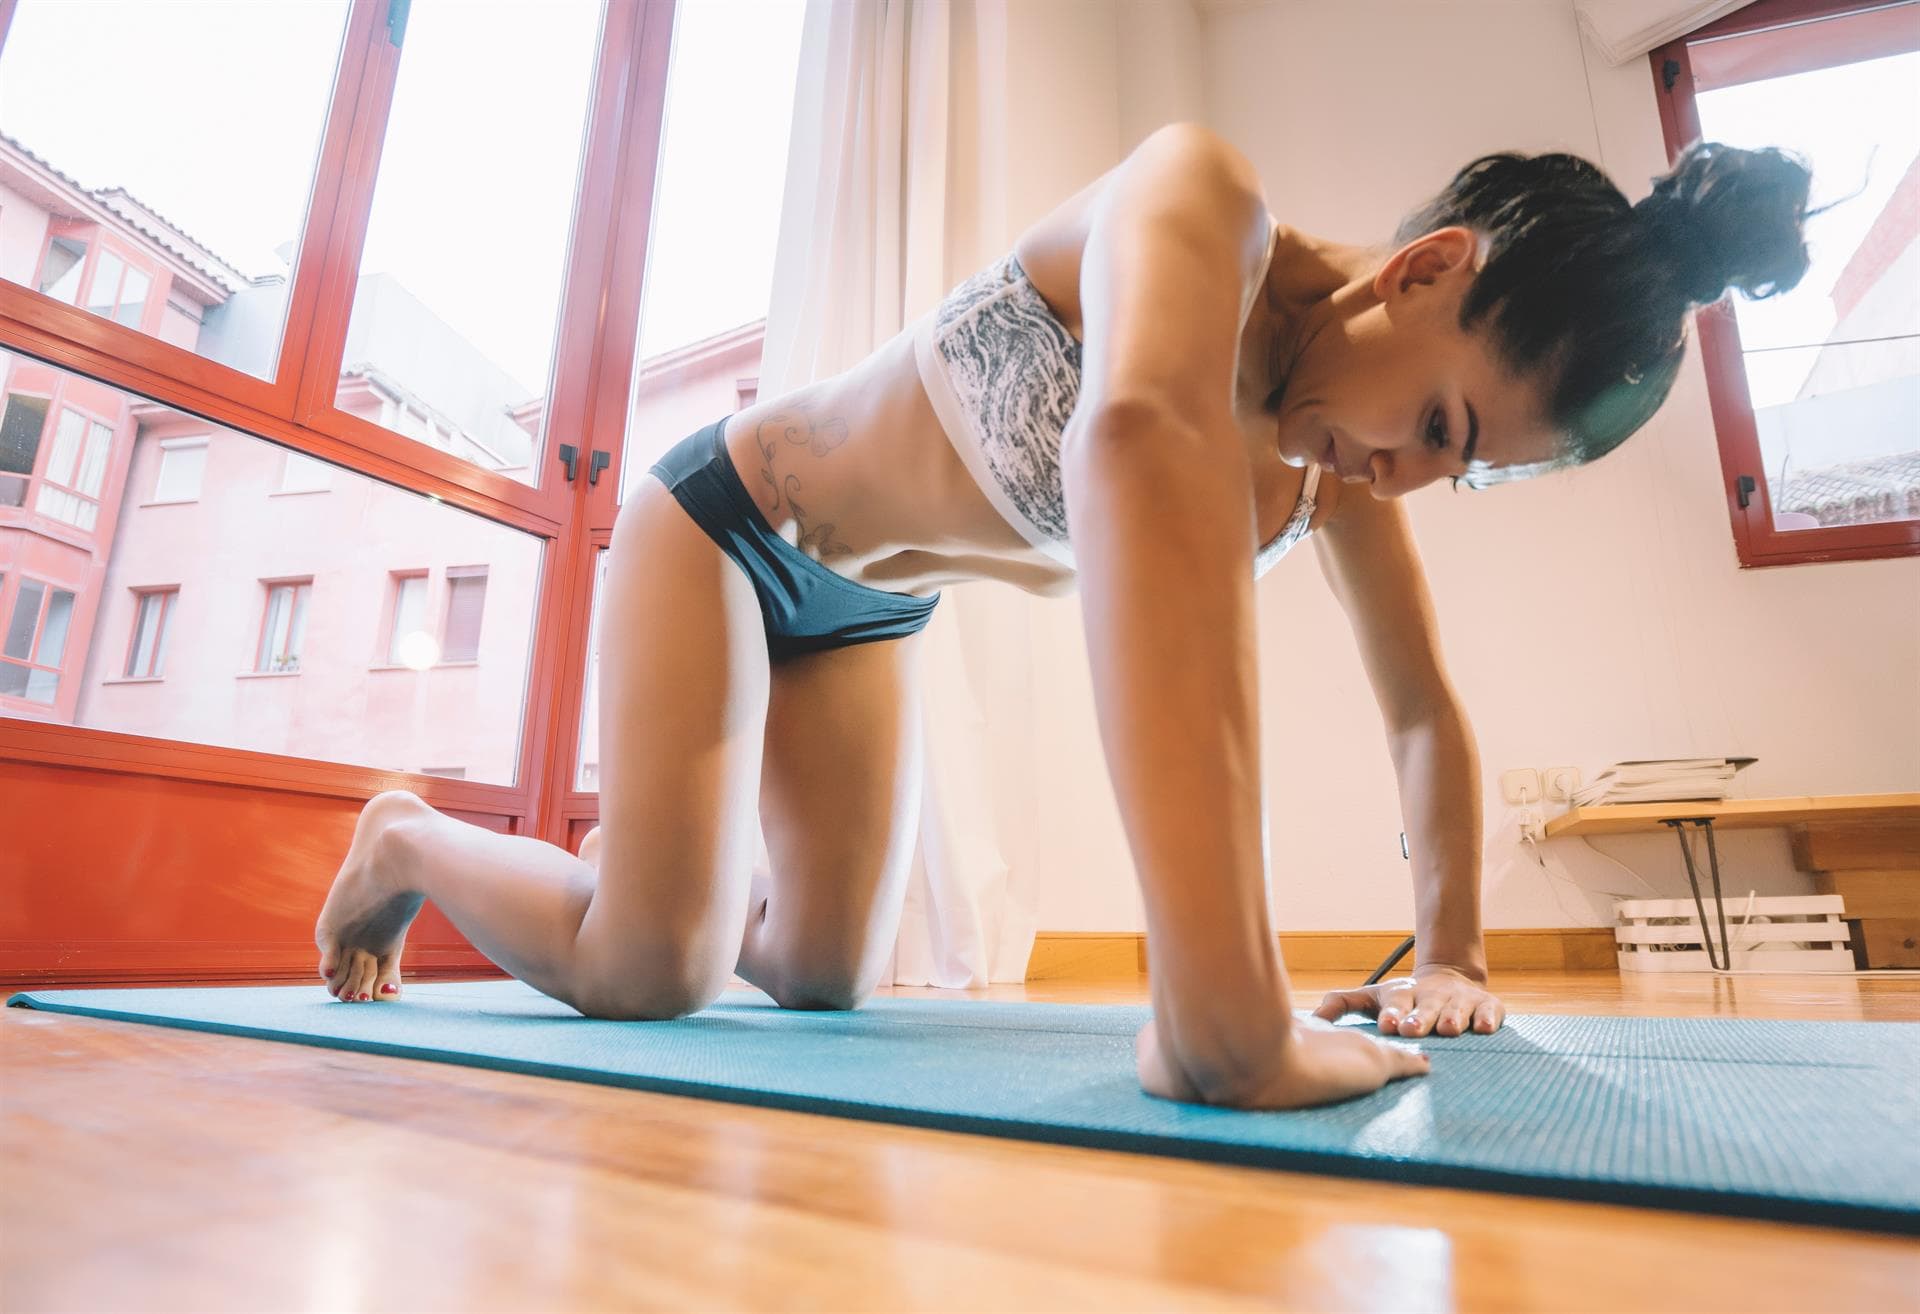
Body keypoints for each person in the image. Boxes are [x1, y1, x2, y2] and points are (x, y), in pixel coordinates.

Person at [314, 123, 1813, 1111]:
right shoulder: (1198, 205)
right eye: (1440, 419)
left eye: (1460, 469)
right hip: (725, 526)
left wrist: (1458, 957)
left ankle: (651, 858)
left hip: (866, 618)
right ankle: (408, 839)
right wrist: (1219, 996)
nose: (1409, 473)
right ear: (1426, 270)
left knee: (823, 975)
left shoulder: (1334, 475)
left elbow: (1421, 708)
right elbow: (1138, 439)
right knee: (653, 979)